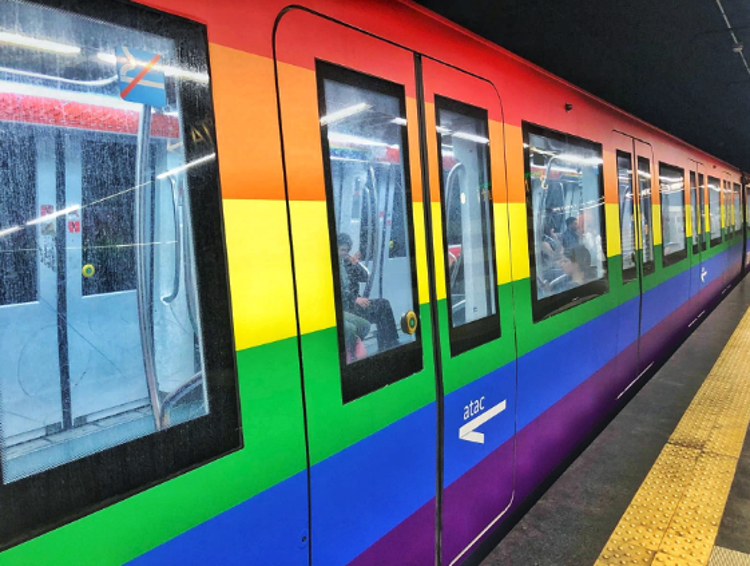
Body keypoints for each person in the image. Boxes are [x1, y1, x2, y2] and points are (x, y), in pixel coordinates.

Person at [337, 233, 400, 352]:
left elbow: (365, 277)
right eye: (342, 250)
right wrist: (354, 299)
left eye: (347, 250)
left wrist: (354, 265)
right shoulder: (334, 265)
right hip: (347, 306)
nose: (345, 253)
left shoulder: (346, 261)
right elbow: (337, 290)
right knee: (382, 308)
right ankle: (388, 344)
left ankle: (388, 343)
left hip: (355, 302)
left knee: (383, 305)